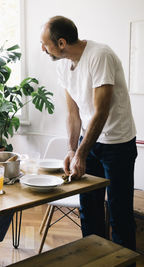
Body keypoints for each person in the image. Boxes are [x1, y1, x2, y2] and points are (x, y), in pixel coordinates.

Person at [40, 16, 137, 250]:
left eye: (45, 44)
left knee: (119, 214)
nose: (43, 48)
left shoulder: (100, 55)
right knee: (89, 211)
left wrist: (81, 153)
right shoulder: (63, 65)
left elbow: (101, 111)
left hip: (117, 144)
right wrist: (73, 149)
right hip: (90, 141)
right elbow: (74, 114)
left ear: (61, 43)